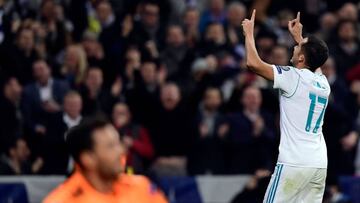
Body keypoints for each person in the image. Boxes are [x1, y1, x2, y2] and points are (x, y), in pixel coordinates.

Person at [242, 11, 330, 202]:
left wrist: (249, 33)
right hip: (318, 163)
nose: (294, 48)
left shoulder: (292, 77)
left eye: (298, 47)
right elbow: (316, 62)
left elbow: (253, 64)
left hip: (294, 163)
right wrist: (300, 38)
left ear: (301, 59)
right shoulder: (323, 82)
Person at [43, 117, 168, 203]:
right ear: (88, 159)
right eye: (110, 146)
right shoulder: (63, 200)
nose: (121, 151)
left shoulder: (141, 185)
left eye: (118, 143)